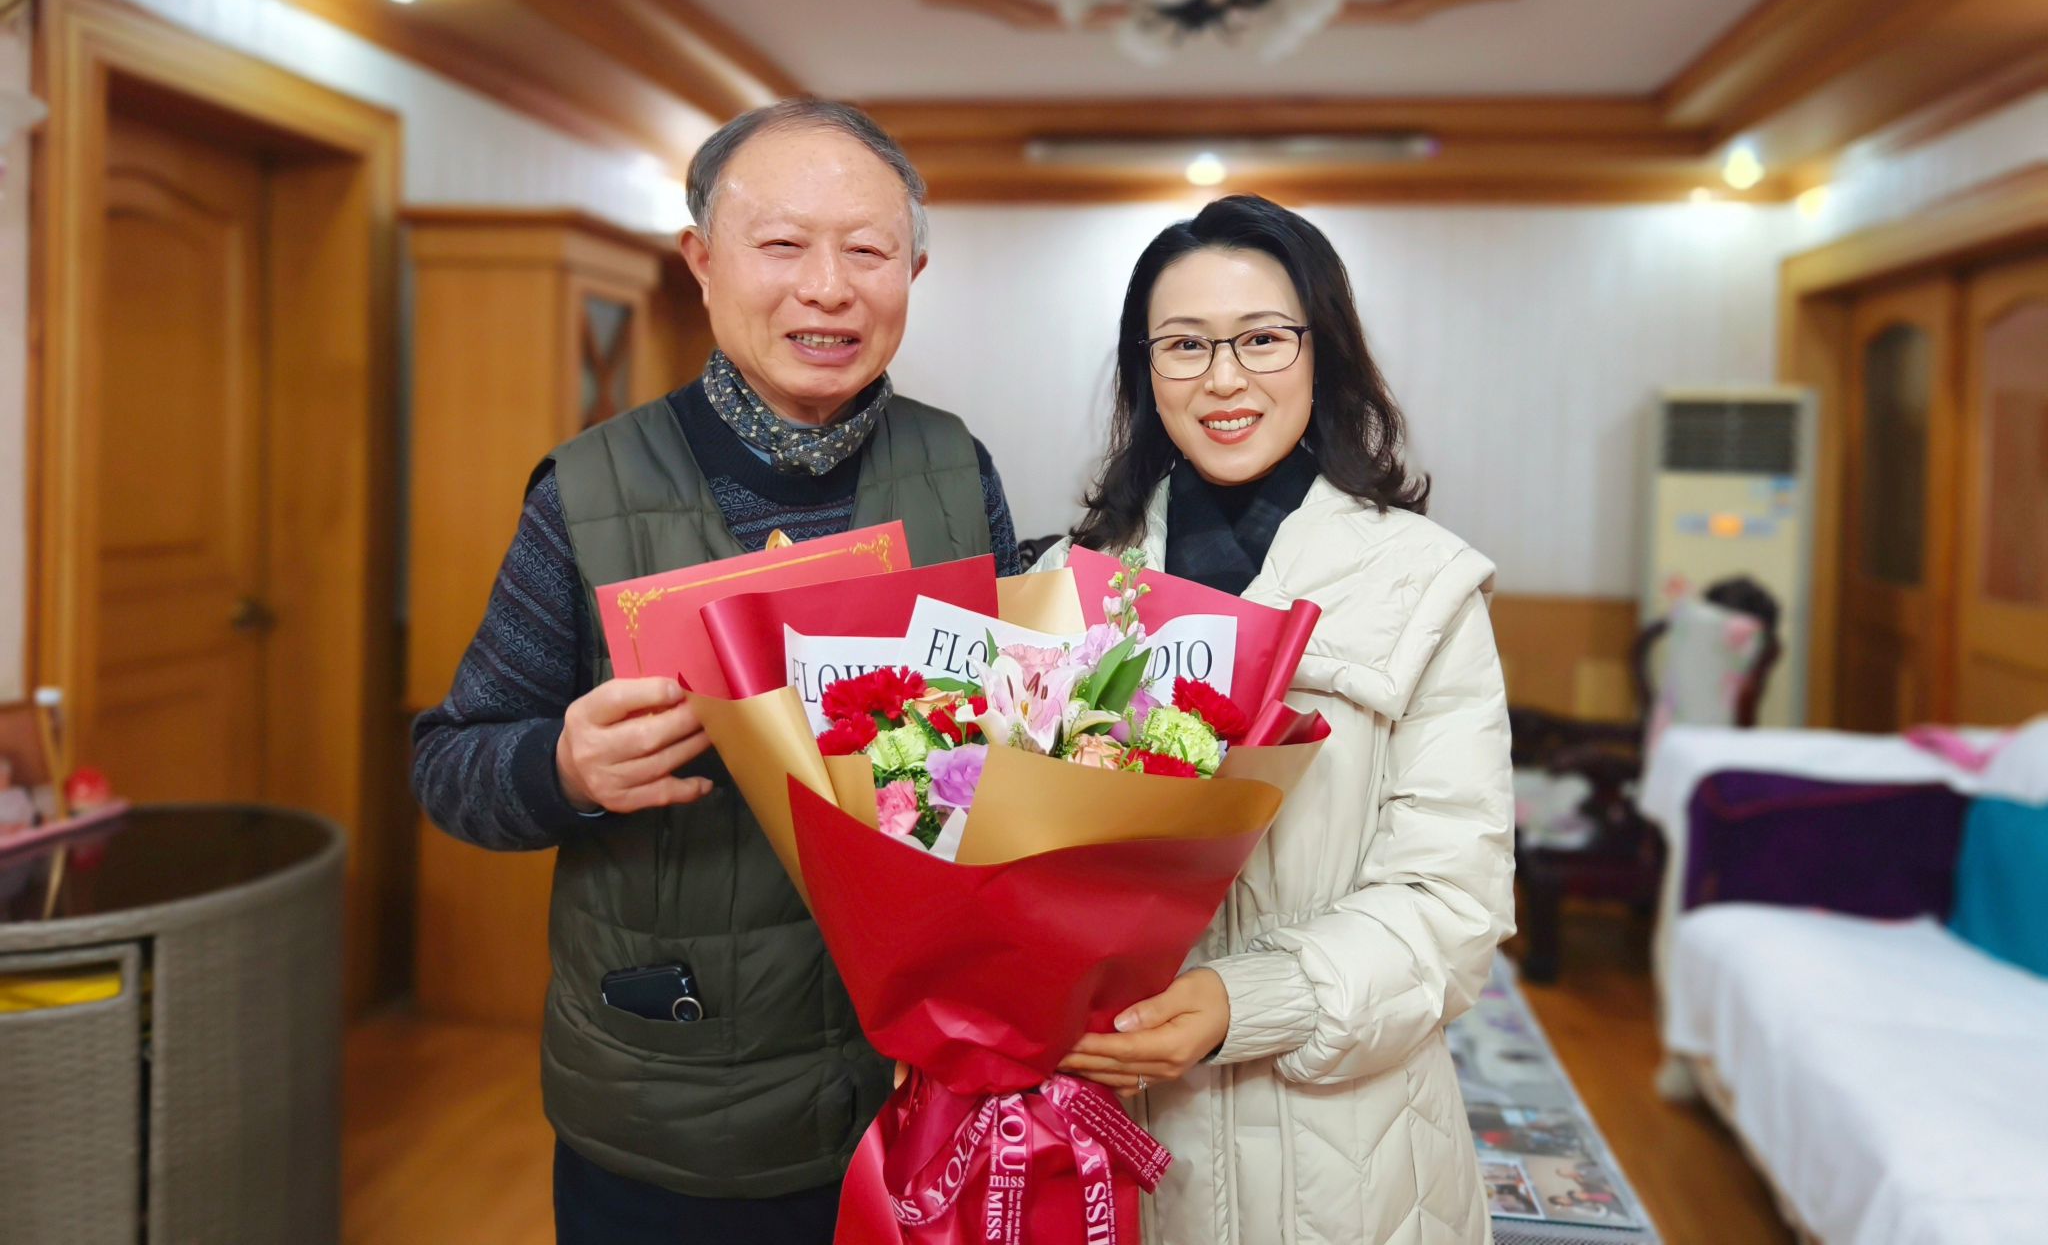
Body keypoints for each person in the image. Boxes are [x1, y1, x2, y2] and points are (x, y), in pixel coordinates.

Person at [412, 99, 1021, 1244]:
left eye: (867, 251)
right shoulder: (588, 492)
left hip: (915, 1087)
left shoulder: (955, 468)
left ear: (912, 272)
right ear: (700, 261)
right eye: (782, 244)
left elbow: (1008, 743)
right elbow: (450, 763)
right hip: (671, 1105)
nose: (826, 288)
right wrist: (562, 769)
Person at [1043, 194, 1514, 1244]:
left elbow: (1452, 904)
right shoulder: (1065, 586)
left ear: (1321, 351)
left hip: (1347, 1160)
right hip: (1107, 1130)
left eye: (1261, 338)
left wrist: (1242, 1002)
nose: (1223, 379)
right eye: (1184, 345)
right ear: (1144, 370)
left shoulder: (1425, 585)